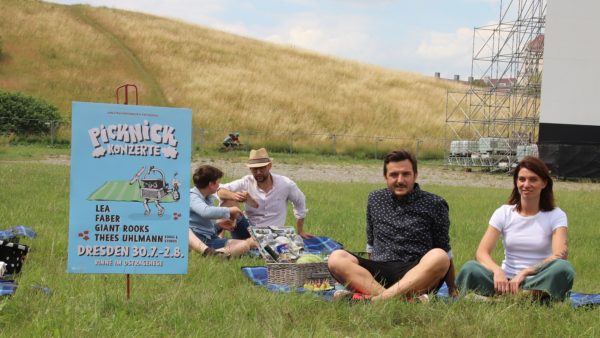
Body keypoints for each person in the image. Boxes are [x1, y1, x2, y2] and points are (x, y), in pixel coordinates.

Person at [327, 150, 457, 302]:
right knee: (336, 258)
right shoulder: (375, 199)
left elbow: (445, 249)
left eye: (406, 174)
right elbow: (371, 244)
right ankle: (396, 299)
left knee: (439, 256)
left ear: (415, 175)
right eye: (394, 175)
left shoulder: (435, 203)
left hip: (416, 273)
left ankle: (373, 300)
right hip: (379, 272)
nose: (400, 180)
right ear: (385, 177)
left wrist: (452, 288)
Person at [456, 156, 575, 301]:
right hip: (504, 282)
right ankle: (523, 298)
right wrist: (497, 271)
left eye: (533, 179)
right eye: (522, 179)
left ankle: (504, 299)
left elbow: (559, 255)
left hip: (536, 279)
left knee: (563, 269)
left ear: (544, 183)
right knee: (470, 268)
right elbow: (482, 252)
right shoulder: (504, 212)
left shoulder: (556, 215)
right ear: (516, 182)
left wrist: (525, 272)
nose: (526, 184)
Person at [217, 148, 314, 239]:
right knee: (227, 201)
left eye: (262, 168)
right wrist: (234, 196)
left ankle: (245, 245)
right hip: (247, 230)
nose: (258, 172)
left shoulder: (286, 184)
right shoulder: (246, 181)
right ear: (250, 169)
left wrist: (300, 231)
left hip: (273, 233)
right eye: (254, 169)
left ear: (269, 166)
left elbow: (300, 202)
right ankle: (220, 237)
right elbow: (219, 190)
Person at [188, 165, 255, 257]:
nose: (219, 185)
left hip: (210, 240)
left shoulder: (207, 198)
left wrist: (218, 226)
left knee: (244, 245)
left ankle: (218, 254)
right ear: (211, 184)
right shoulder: (192, 196)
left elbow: (204, 227)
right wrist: (230, 210)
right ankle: (214, 253)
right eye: (218, 182)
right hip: (197, 240)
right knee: (245, 246)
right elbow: (205, 212)